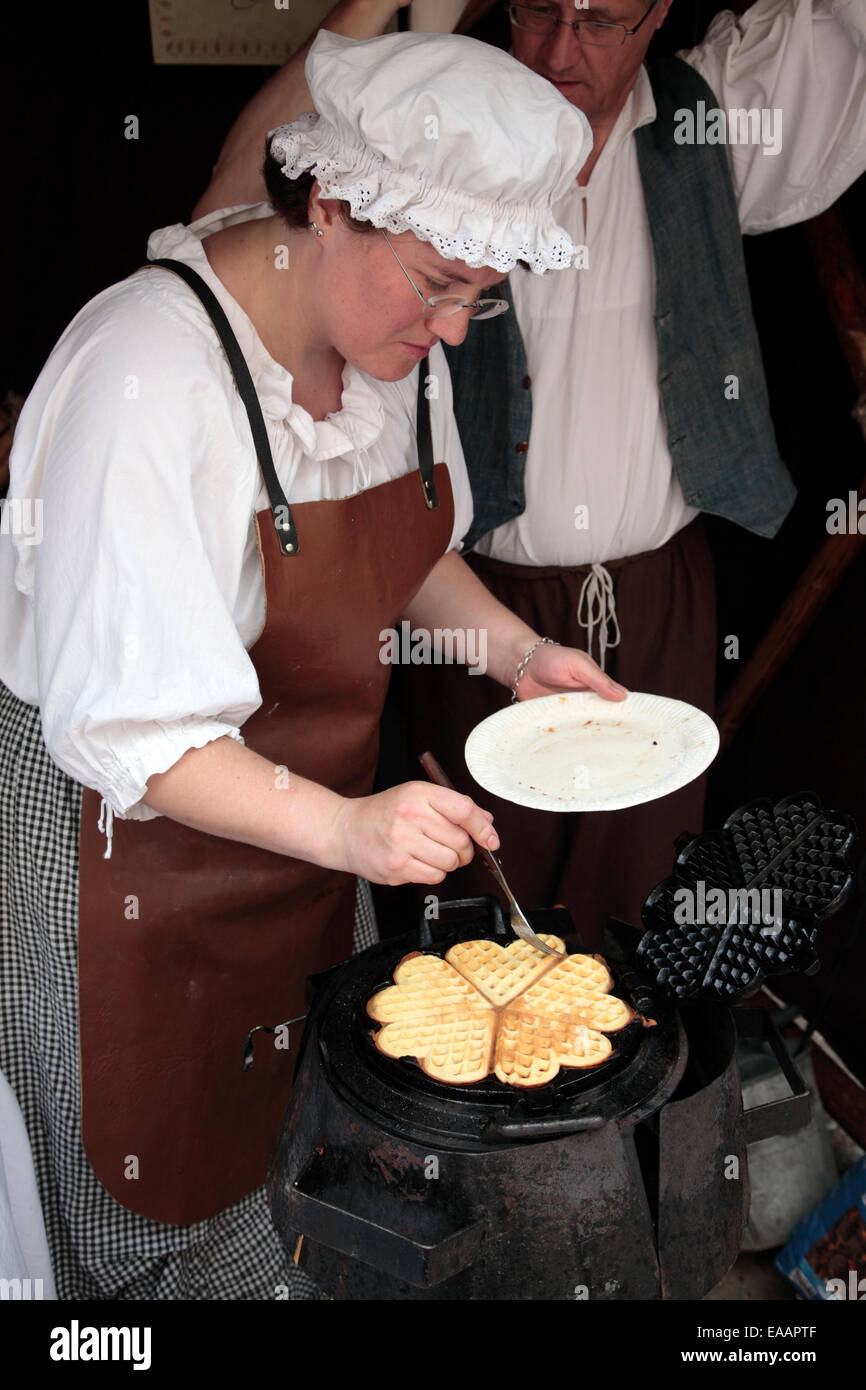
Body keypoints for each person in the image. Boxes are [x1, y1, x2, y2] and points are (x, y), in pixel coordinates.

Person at [0, 29, 629, 1300]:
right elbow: (136, 736)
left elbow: (390, 544)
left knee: (293, 1164)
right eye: (438, 283)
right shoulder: (149, 378)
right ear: (331, 204)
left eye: (483, 296)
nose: (453, 330)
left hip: (300, 856)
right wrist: (348, 829)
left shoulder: (376, 352)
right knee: (152, 1203)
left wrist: (513, 651)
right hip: (120, 875)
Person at [197, 0, 866, 944]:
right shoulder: (426, 142)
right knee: (479, 893)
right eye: (541, 11)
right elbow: (236, 205)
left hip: (649, 593)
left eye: (601, 22)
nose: (559, 50)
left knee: (642, 897)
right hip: (478, 590)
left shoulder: (707, 121)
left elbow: (843, 32)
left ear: (660, 14)